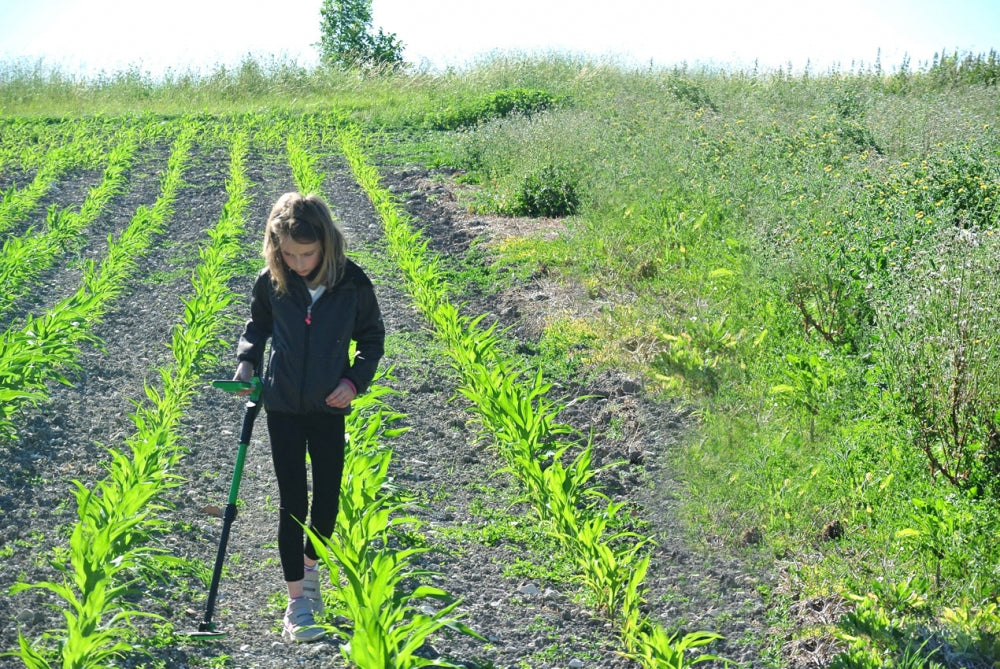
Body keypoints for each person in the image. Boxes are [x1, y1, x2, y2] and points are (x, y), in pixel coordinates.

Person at [232, 191, 385, 643]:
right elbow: (257, 325)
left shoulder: (352, 283)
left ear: (327, 244)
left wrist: (353, 382)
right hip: (281, 406)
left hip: (327, 407)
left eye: (308, 254)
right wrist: (247, 361)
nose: (298, 263)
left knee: (327, 505)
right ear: (276, 247)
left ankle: (310, 568)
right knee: (292, 504)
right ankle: (297, 600)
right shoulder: (272, 280)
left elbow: (371, 340)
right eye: (289, 254)